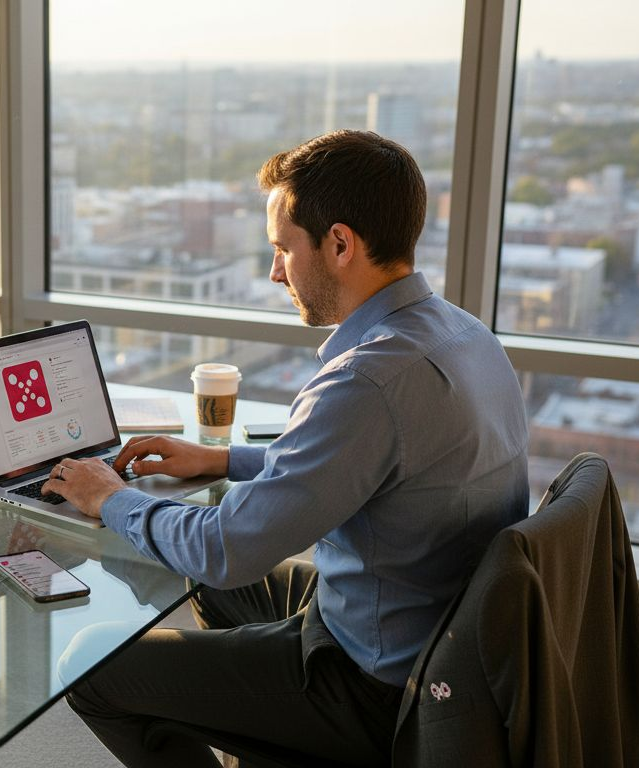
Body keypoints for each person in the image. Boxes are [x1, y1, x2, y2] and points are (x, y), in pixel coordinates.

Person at [43, 130, 529, 767]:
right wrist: (222, 459)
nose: (275, 272)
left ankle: (286, 715)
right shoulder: (464, 334)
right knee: (197, 575)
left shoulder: (366, 379)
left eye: (282, 249)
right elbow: (372, 464)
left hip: (376, 685)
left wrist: (111, 498)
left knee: (92, 665)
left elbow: (227, 550)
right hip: (423, 624)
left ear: (339, 243)